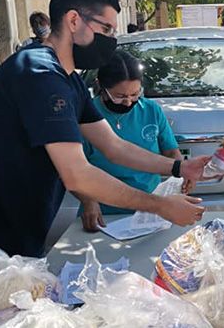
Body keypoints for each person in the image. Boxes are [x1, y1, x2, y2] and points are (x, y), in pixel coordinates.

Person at [0, 0, 209, 263]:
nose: (111, 40)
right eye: (106, 28)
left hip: (20, 236)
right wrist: (160, 206)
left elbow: (114, 146)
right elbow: (78, 175)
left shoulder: (67, 79)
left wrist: (178, 167)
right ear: (74, 20)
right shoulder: (40, 76)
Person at [79, 51, 189, 231]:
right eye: (120, 96)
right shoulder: (86, 117)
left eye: (135, 94)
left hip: (151, 208)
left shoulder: (151, 110)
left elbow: (170, 152)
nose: (128, 102)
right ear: (101, 87)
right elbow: (74, 169)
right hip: (104, 211)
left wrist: (181, 177)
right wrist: (88, 200)